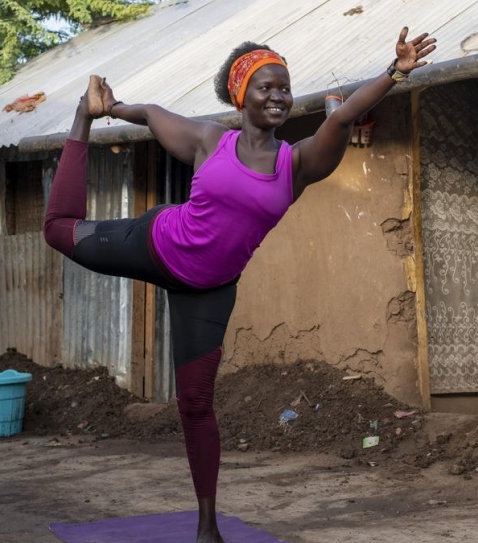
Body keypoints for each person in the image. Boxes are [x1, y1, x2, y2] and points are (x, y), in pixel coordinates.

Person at [43, 27, 436, 543]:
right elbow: (155, 114)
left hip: (208, 290)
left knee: (195, 405)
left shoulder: (296, 165)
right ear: (241, 96)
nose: (278, 96)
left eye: (284, 88)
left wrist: (395, 72)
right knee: (57, 230)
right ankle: (77, 119)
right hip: (156, 244)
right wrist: (107, 110)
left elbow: (339, 117)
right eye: (265, 87)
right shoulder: (209, 140)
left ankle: (208, 527)